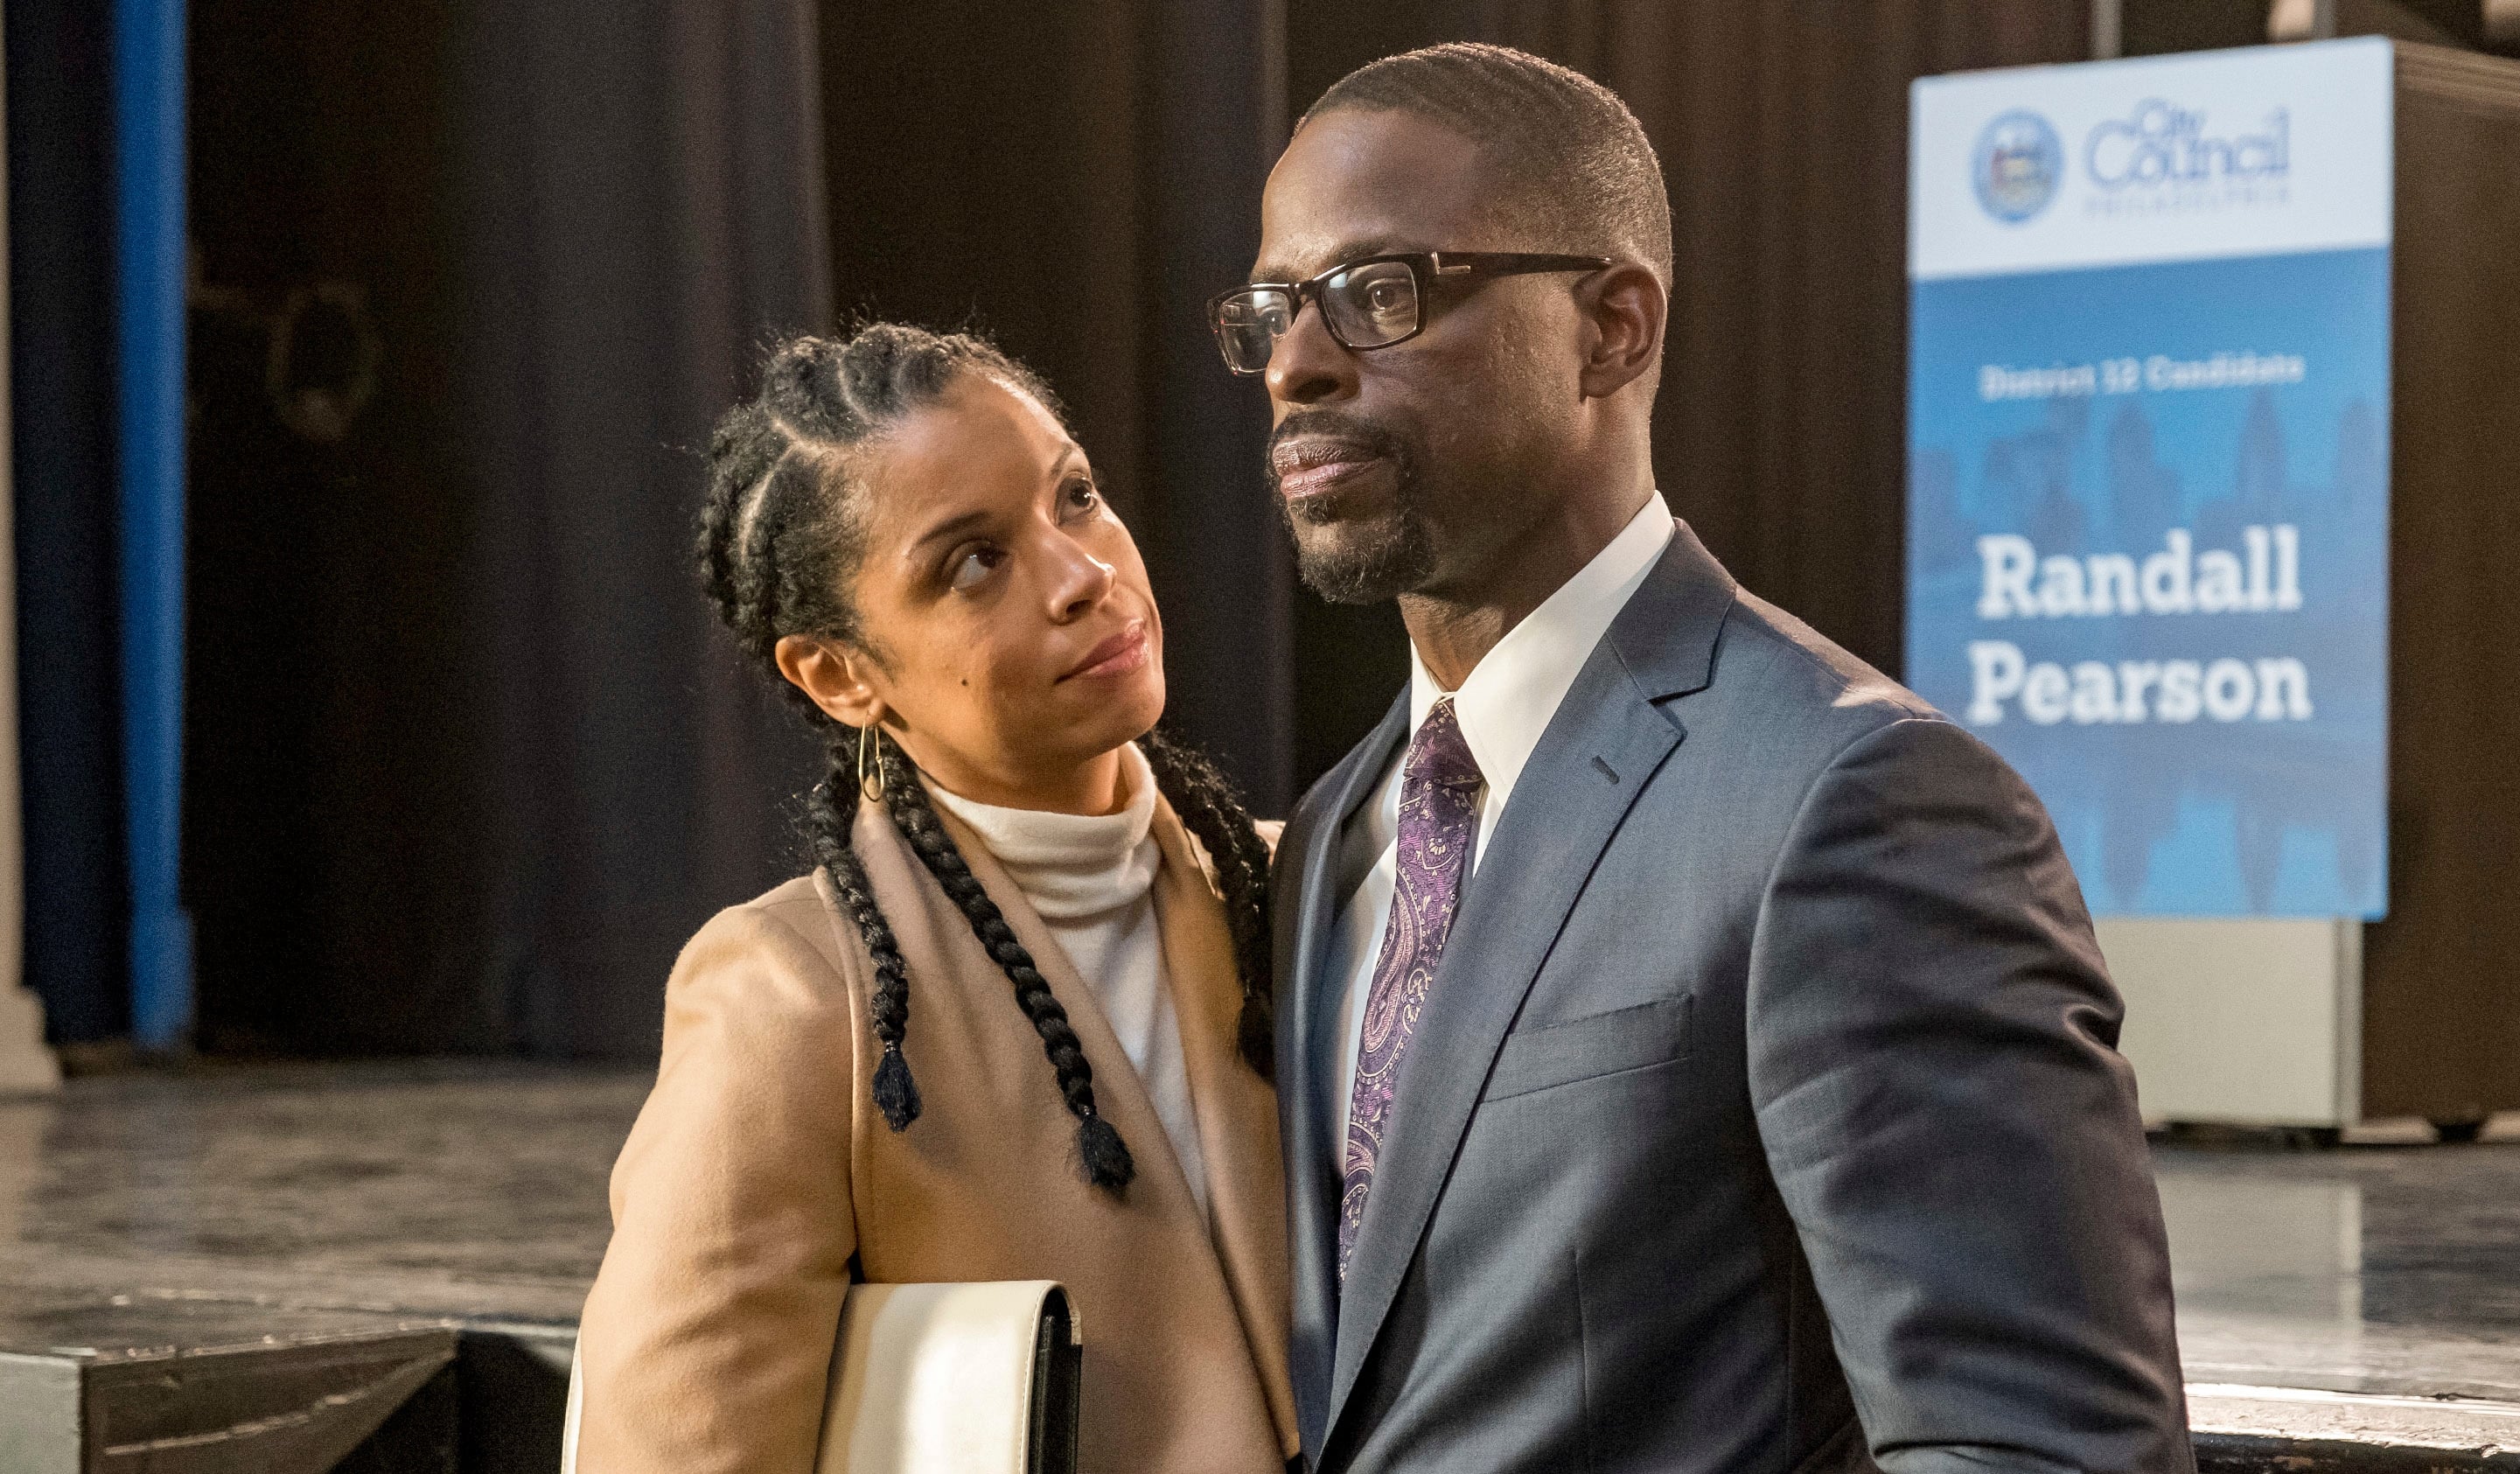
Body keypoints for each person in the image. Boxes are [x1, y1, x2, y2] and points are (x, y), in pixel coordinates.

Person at [1225, 43, 2196, 1474]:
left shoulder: (1855, 801)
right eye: (1272, 310)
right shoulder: (1329, 838)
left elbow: (2037, 1448)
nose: (1296, 364)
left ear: (1612, 330)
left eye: (1380, 293)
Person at [574, 324, 1295, 1474]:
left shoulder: (1306, 888)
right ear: (840, 674)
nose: (1086, 576)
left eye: (1076, 497)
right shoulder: (798, 997)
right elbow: (674, 1450)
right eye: (973, 563)